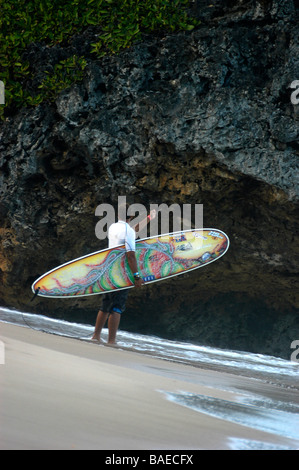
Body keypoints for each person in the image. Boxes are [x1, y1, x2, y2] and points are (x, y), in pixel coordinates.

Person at [91, 206, 156, 345]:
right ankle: (111, 341)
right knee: (117, 307)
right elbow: (131, 255)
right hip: (121, 273)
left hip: (109, 270)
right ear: (131, 217)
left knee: (105, 304)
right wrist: (137, 276)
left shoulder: (113, 227)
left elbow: (131, 231)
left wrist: (149, 218)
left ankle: (96, 336)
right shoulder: (128, 231)